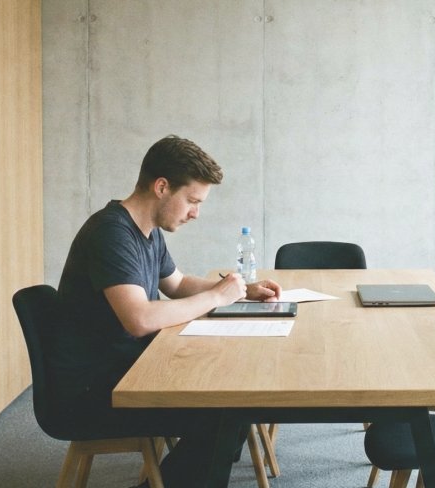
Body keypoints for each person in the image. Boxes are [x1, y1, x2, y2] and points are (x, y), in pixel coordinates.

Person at [51, 135, 282, 487]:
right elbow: (140, 318)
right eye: (192, 200)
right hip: (95, 389)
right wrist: (217, 297)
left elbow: (176, 284)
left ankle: (198, 467)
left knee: (231, 390)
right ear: (162, 187)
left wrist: (242, 292)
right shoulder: (111, 233)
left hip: (128, 367)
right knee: (225, 405)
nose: (195, 213)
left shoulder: (147, 230)